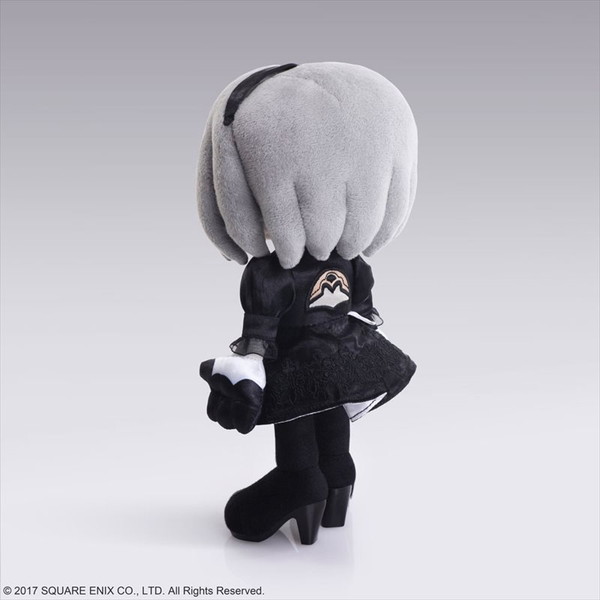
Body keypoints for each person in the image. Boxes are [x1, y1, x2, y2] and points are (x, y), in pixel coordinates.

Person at [197, 62, 418, 544]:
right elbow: (363, 302)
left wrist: (247, 365)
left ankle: (302, 480)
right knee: (332, 406)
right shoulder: (351, 260)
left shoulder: (269, 274)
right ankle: (337, 475)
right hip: (344, 349)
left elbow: (259, 330)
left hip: (295, 356)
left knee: (296, 416)